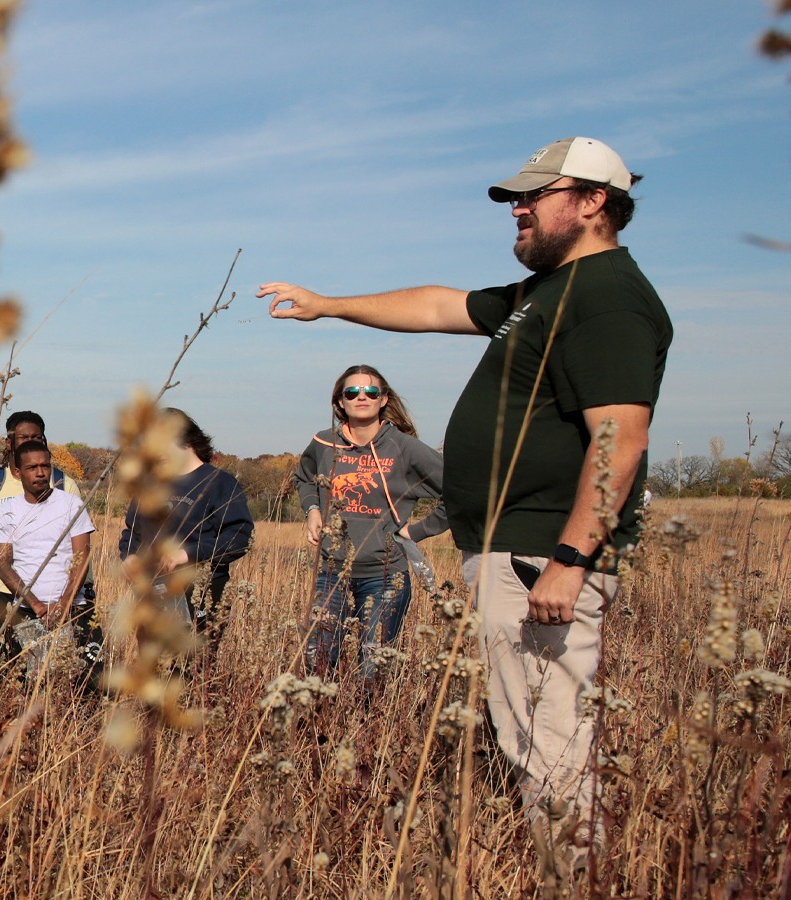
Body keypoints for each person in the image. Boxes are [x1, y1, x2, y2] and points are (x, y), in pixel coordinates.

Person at [261, 137, 669, 826]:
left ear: (595, 201)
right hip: (515, 551)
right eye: (516, 197)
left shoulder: (606, 299)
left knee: (550, 744)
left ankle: (572, 869)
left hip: (544, 553)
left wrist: (569, 560)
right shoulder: (547, 293)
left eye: (536, 195)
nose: (519, 208)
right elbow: (435, 307)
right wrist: (329, 304)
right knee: (526, 734)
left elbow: (618, 439)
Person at [295, 365, 447, 690]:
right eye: (352, 392)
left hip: (384, 575)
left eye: (370, 392)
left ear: (383, 400)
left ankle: (368, 732)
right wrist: (311, 509)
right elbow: (304, 477)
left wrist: (417, 531)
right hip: (330, 572)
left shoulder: (403, 448)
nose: (361, 397)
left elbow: (460, 492)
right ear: (340, 402)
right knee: (318, 666)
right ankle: (321, 735)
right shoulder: (324, 444)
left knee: (372, 671)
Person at [116, 411, 253, 657]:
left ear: (185, 440)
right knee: (155, 667)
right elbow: (133, 531)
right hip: (152, 590)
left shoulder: (219, 483)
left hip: (202, 590)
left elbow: (239, 537)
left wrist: (188, 554)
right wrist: (129, 556)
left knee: (194, 665)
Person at [0, 411, 74, 673]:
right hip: (2, 594)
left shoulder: (63, 484)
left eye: (37, 437)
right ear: (9, 443)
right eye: (23, 437)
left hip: (52, 598)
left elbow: (80, 546)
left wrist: (76, 596)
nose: (30, 441)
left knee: (50, 674)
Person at [0, 442, 95, 681]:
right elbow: (2, 564)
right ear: (17, 472)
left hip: (73, 611)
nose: (40, 473)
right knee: (31, 684)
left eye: (45, 466)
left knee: (76, 684)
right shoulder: (8, 510)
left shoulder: (71, 505)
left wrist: (63, 605)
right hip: (28, 613)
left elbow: (82, 559)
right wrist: (36, 605)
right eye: (32, 467)